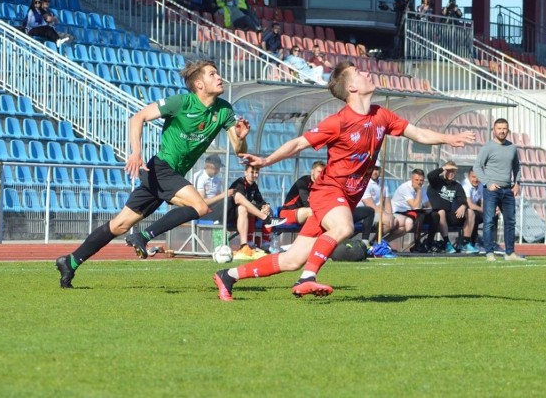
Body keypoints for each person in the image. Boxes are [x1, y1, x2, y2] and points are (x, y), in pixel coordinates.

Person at [212, 61, 474, 300]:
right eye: (361, 73)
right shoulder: (339, 122)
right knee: (344, 228)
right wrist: (266, 160)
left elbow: (416, 133)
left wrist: (448, 138)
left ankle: (228, 276)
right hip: (328, 191)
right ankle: (307, 278)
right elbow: (299, 143)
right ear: (351, 87)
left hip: (344, 198)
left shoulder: (381, 115)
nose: (368, 73)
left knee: (293, 259)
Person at [55, 60, 250, 288]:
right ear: (199, 84)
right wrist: (136, 152)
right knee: (200, 207)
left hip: (167, 176)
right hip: (160, 169)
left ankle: (70, 261)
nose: (219, 77)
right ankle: (144, 236)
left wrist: (242, 136)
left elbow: (239, 151)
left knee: (119, 225)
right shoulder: (181, 102)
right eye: (212, 74)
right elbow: (137, 117)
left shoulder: (224, 110)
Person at [473, 118, 525, 261]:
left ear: (508, 130)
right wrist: (488, 183)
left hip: (508, 190)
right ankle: (489, 253)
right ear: (494, 130)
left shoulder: (512, 148)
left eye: (504, 128)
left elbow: (516, 167)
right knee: (489, 221)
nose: (502, 131)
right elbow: (477, 167)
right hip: (492, 190)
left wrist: (517, 183)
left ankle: (510, 253)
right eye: (499, 128)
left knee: (510, 222)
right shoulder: (488, 147)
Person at [207, 164, 285, 254]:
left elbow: (260, 201)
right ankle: (264, 221)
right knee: (242, 206)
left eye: (256, 172)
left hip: (240, 216)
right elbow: (241, 200)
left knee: (266, 210)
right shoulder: (239, 183)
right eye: (252, 172)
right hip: (224, 213)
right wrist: (260, 210)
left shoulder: (254, 186)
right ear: (245, 173)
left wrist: (265, 206)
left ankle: (264, 244)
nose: (254, 175)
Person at [426, 162, 478, 254]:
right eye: (449, 171)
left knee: (470, 212)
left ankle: (465, 244)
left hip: (450, 215)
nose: (451, 174)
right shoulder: (436, 182)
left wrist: (463, 205)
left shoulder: (456, 185)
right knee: (441, 212)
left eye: (453, 171)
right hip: (436, 216)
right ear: (444, 171)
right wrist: (443, 168)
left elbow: (462, 199)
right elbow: (430, 175)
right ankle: (447, 243)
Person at [386, 168, 431, 251]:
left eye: (421, 180)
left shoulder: (422, 188)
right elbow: (415, 206)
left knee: (435, 215)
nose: (419, 182)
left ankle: (430, 243)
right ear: (411, 179)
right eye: (416, 180)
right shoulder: (405, 188)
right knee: (419, 216)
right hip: (399, 211)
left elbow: (427, 204)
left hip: (410, 212)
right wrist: (419, 191)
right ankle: (417, 244)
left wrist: (431, 211)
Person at [278, 161, 324, 228]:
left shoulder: (321, 185)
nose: (321, 175)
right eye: (319, 172)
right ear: (312, 171)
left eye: (323, 173)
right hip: (288, 213)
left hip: (302, 213)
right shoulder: (303, 182)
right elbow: (307, 203)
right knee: (312, 212)